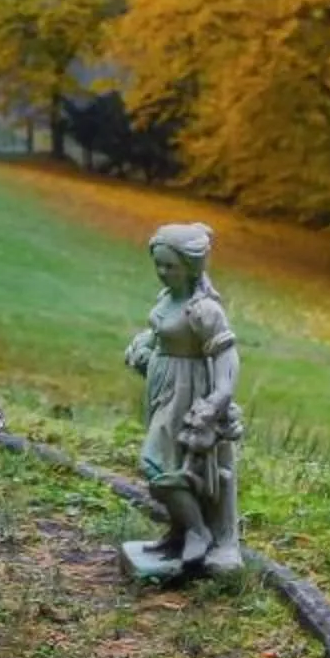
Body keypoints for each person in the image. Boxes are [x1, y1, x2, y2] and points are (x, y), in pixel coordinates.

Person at [123, 222, 243, 575]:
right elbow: (159, 332)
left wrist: (220, 397)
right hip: (163, 386)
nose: (162, 272)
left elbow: (226, 354)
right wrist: (142, 348)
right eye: (158, 264)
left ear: (191, 267)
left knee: (156, 464)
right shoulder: (167, 297)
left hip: (187, 389)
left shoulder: (203, 309)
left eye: (170, 266)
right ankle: (179, 534)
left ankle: (198, 531)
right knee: (174, 460)